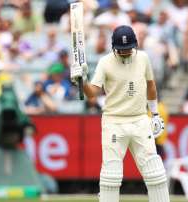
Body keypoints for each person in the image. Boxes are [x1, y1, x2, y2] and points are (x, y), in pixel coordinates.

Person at [71, 25, 170, 202]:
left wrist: (154, 114)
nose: (125, 53)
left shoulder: (143, 58)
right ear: (114, 48)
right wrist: (82, 81)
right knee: (111, 175)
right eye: (121, 50)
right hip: (114, 121)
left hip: (140, 119)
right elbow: (92, 93)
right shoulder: (105, 62)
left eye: (128, 49)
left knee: (155, 172)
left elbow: (151, 85)